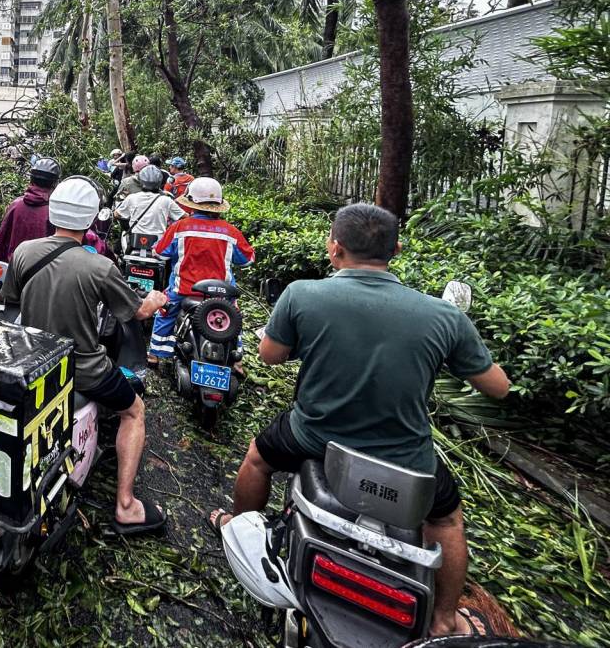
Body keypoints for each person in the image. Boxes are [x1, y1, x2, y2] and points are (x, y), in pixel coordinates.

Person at [209, 203, 511, 638]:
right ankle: (445, 618)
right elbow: (498, 388)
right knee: (444, 520)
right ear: (396, 250)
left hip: (313, 439)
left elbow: (269, 356)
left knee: (258, 459)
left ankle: (237, 523)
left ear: (335, 249)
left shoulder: (302, 294)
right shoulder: (445, 316)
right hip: (406, 460)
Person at [2, 178, 170, 535]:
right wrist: (155, 301)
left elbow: (11, 306)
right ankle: (126, 505)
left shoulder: (23, 253)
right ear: (92, 218)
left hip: (35, 367)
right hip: (86, 371)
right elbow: (135, 312)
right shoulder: (100, 267)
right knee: (135, 410)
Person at [148, 178, 254, 365]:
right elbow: (247, 260)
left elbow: (160, 253)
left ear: (192, 204)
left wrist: (155, 250)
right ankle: (236, 361)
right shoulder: (230, 232)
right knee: (233, 318)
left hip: (184, 291)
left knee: (165, 311)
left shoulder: (180, 228)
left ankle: (156, 354)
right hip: (221, 295)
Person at [0, 157, 63, 262]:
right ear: (54, 184)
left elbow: (0, 241)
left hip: (12, 270)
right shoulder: (55, 211)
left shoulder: (16, 205)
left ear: (31, 180)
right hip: (41, 273)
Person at [115, 166, 185, 239]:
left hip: (136, 239)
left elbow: (117, 214)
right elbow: (184, 216)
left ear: (141, 180)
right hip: (158, 243)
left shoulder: (131, 198)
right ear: (160, 181)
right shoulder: (166, 200)